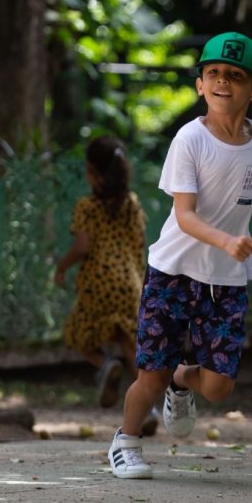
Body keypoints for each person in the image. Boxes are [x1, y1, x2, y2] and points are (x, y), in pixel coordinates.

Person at [107, 31, 252, 480]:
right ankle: (126, 441)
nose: (223, 82)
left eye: (235, 75)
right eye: (213, 73)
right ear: (199, 85)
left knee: (218, 387)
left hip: (225, 279)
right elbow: (185, 216)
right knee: (149, 375)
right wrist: (227, 241)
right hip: (172, 272)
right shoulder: (189, 140)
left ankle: (181, 381)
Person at [54, 135, 157, 432]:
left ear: (90, 170)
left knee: (78, 334)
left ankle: (103, 365)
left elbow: (83, 247)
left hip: (98, 281)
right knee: (129, 342)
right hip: (130, 283)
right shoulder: (131, 204)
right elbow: (140, 242)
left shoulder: (86, 206)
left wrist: (62, 267)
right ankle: (147, 410)